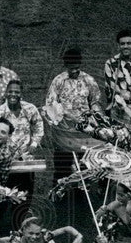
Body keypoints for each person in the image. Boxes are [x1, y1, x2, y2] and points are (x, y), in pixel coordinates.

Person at [43, 47, 105, 186]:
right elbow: (50, 104)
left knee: (85, 164)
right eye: (71, 68)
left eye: (77, 68)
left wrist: (98, 118)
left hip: (84, 131)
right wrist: (62, 116)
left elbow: (95, 101)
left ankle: (82, 190)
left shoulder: (88, 80)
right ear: (65, 66)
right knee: (62, 165)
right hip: (64, 131)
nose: (74, 71)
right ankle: (59, 190)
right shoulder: (58, 81)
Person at [0, 79, 44, 205]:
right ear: (6, 93)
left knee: (25, 194)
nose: (13, 94)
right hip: (4, 160)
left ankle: (21, 219)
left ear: (21, 94)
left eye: (16, 92)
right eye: (10, 91)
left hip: (25, 159)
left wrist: (34, 144)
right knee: (4, 193)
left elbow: (38, 126)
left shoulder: (30, 109)